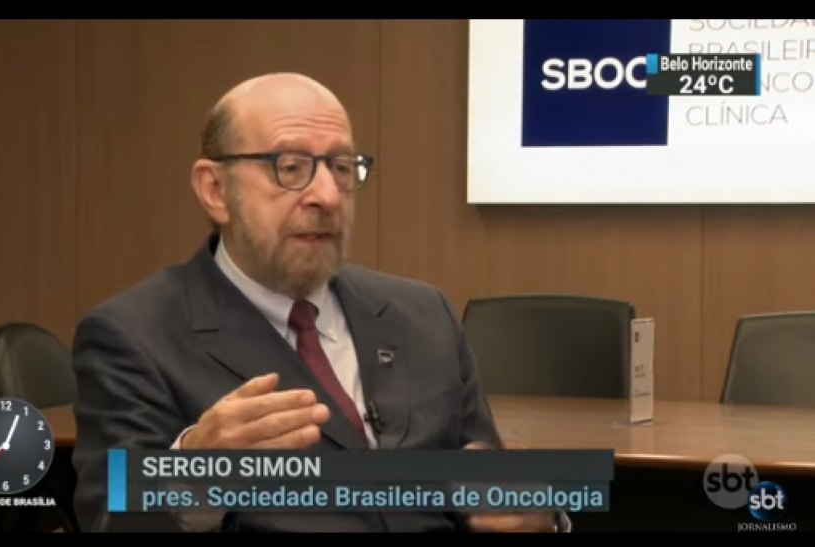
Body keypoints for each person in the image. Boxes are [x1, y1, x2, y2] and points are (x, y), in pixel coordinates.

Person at [71, 73, 569, 533]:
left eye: (342, 167)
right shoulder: (133, 336)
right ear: (216, 190)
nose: (327, 195)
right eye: (290, 168)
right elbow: (110, 522)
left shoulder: (423, 313)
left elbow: (489, 489)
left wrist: (537, 516)